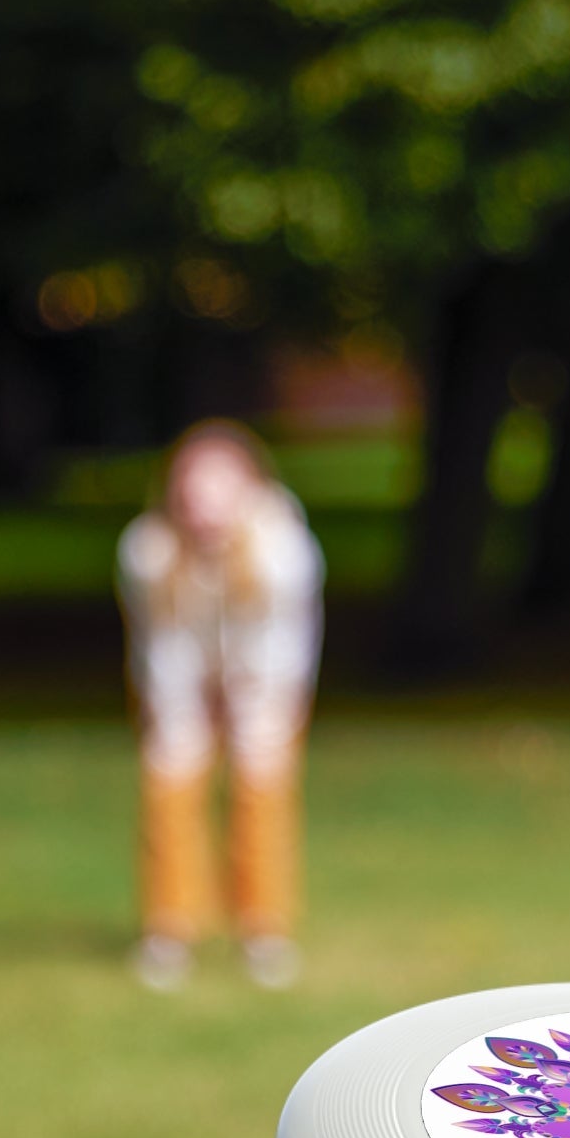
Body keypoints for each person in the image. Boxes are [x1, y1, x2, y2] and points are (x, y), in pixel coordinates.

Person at [117, 420, 325, 991]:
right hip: (179, 680)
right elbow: (162, 645)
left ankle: (263, 930)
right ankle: (170, 928)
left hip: (265, 682)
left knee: (262, 788)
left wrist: (250, 706)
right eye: (193, 487)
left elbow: (281, 645)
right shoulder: (148, 551)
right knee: (170, 782)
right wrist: (183, 713)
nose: (204, 504)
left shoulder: (283, 549)